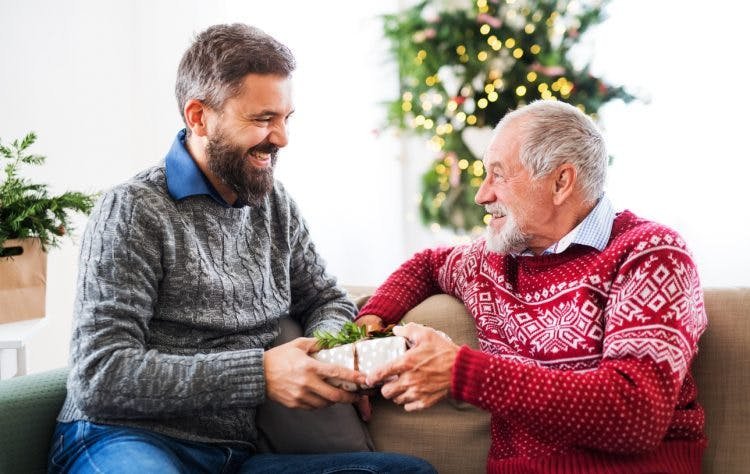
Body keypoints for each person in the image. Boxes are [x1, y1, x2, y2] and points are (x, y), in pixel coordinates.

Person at [48, 23, 434, 474]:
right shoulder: (134, 209)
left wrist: (325, 356)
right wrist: (261, 374)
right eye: (262, 119)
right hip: (123, 436)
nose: (282, 138)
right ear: (198, 117)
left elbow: (325, 299)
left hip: (233, 457)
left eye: (286, 118)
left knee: (408, 472)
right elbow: (100, 375)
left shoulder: (274, 205)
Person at [357, 100, 708, 473]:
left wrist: (462, 371)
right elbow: (426, 265)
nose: (482, 195)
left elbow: (636, 414)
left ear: (561, 182)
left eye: (499, 175)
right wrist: (367, 328)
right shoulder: (490, 261)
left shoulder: (649, 253)